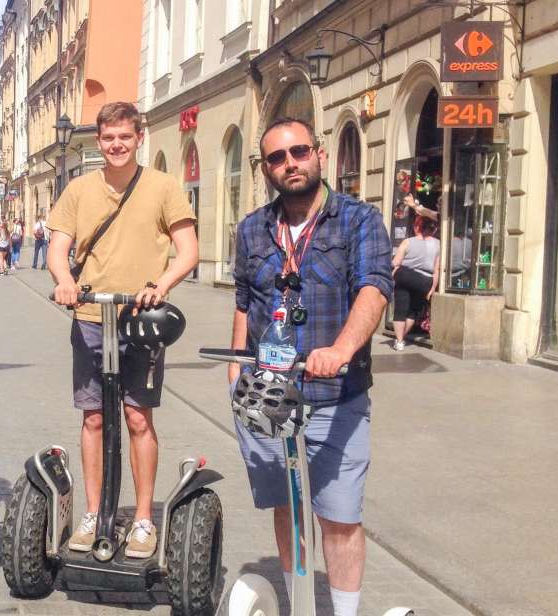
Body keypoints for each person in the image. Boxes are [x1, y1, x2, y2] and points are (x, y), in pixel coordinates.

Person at [229, 117, 392, 616]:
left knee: (339, 516)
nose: (289, 164)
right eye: (276, 158)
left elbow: (374, 287)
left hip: (334, 398)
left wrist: (341, 349)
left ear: (318, 154)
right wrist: (235, 370)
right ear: (265, 169)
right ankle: (298, 602)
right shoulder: (252, 228)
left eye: (298, 152)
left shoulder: (357, 220)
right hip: (267, 395)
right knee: (288, 505)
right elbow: (244, 301)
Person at [48, 101, 198, 559]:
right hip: (92, 317)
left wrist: (162, 284)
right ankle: (93, 513)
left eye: (124, 137)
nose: (116, 145)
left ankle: (144, 519)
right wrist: (66, 283)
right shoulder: (78, 190)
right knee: (93, 416)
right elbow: (58, 249)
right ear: (100, 139)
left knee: (137, 417)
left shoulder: (164, 187)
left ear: (139, 138)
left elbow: (188, 249)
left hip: (141, 321)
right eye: (108, 138)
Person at [391, 216, 440, 350]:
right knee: (412, 311)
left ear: (417, 226)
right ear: (433, 229)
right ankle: (401, 338)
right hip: (424, 280)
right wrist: (432, 288)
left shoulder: (408, 242)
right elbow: (436, 270)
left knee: (400, 309)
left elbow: (396, 262)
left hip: (405, 275)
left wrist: (391, 274)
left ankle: (399, 341)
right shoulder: (438, 244)